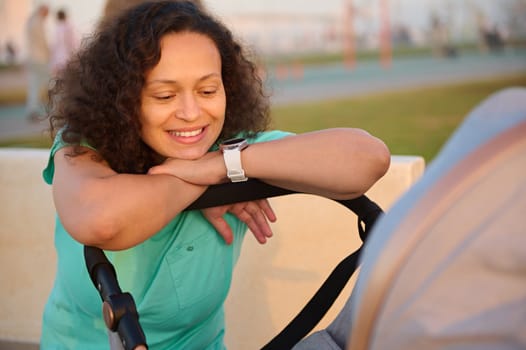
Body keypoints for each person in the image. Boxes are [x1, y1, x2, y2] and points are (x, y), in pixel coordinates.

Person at [40, 1, 390, 349]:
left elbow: (368, 159)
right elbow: (101, 221)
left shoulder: (234, 155)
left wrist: (218, 167)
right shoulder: (82, 149)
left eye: (208, 91)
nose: (192, 113)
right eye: (165, 95)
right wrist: (199, 185)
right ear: (124, 101)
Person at [25, 4, 50, 121]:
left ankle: (32, 109)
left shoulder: (30, 21)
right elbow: (43, 42)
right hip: (40, 59)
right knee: (50, 82)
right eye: (47, 13)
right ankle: (54, 107)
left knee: (33, 85)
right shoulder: (38, 22)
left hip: (31, 58)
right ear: (43, 11)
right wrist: (49, 54)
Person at [50, 8, 77, 75]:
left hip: (59, 57)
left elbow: (54, 44)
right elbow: (72, 42)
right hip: (67, 55)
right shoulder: (68, 26)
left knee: (59, 77)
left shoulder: (57, 27)